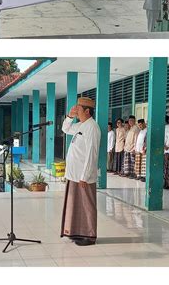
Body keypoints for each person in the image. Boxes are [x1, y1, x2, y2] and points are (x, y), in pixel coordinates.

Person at [60, 97, 101, 246]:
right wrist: (70, 117)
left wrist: (85, 176)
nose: (76, 111)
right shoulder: (80, 125)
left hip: (83, 176)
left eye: (78, 109)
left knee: (87, 206)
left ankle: (89, 236)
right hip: (74, 175)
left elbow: (92, 153)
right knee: (75, 205)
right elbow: (65, 129)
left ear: (87, 111)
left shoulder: (93, 127)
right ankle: (76, 232)